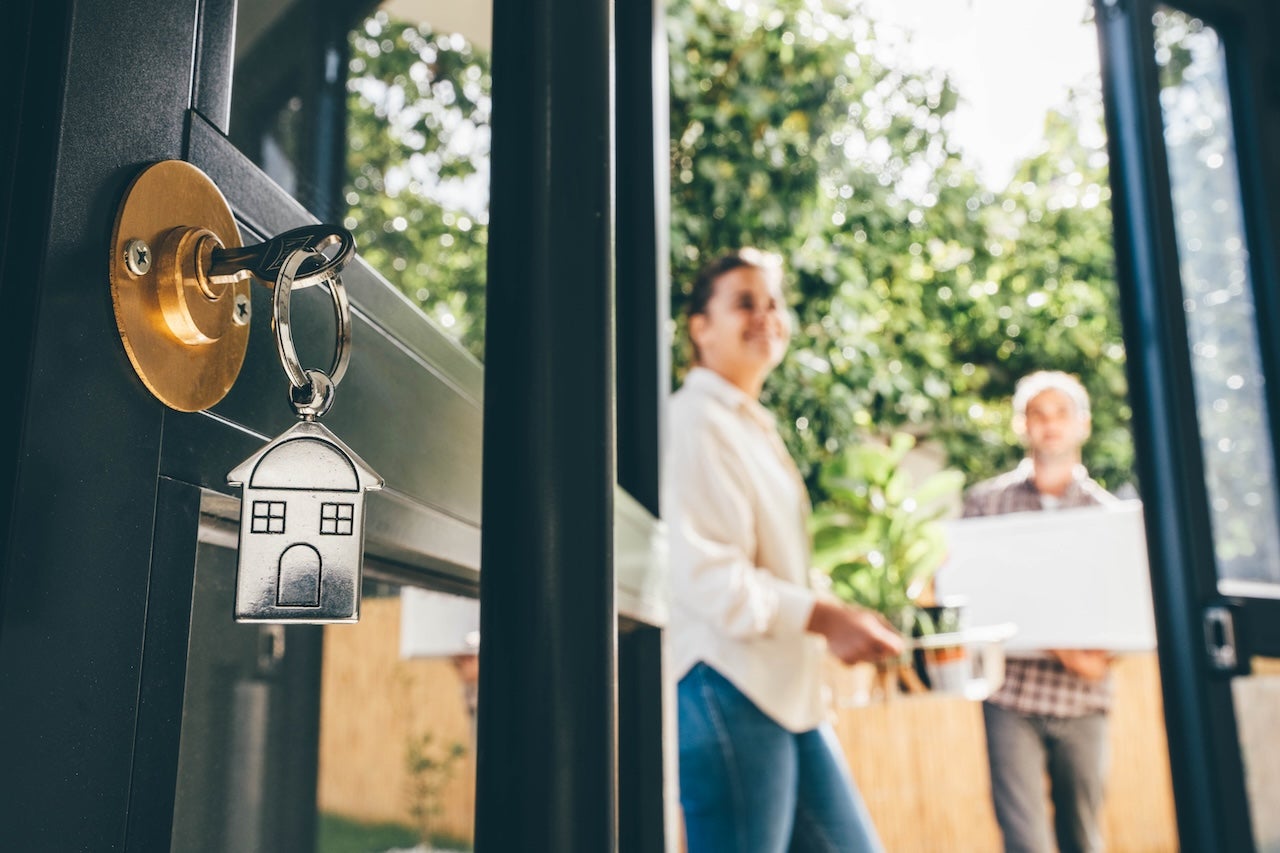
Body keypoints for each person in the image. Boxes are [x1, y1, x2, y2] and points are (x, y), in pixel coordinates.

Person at [665, 248, 904, 853]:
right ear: (700, 328)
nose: (765, 315)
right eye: (744, 302)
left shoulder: (749, 423)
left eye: (773, 302)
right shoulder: (693, 422)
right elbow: (708, 575)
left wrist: (840, 617)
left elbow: (769, 569)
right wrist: (822, 617)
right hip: (726, 688)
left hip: (784, 696)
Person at [962, 370, 1119, 853]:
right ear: (1022, 426)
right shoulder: (986, 505)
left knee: (1082, 838)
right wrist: (1058, 639)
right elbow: (973, 593)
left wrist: (1094, 657)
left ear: (1082, 425)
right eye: (1038, 415)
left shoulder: (1107, 516)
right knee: (1026, 842)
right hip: (1011, 696)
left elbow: (1121, 607)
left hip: (1084, 699)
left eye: (1060, 415)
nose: (1049, 426)